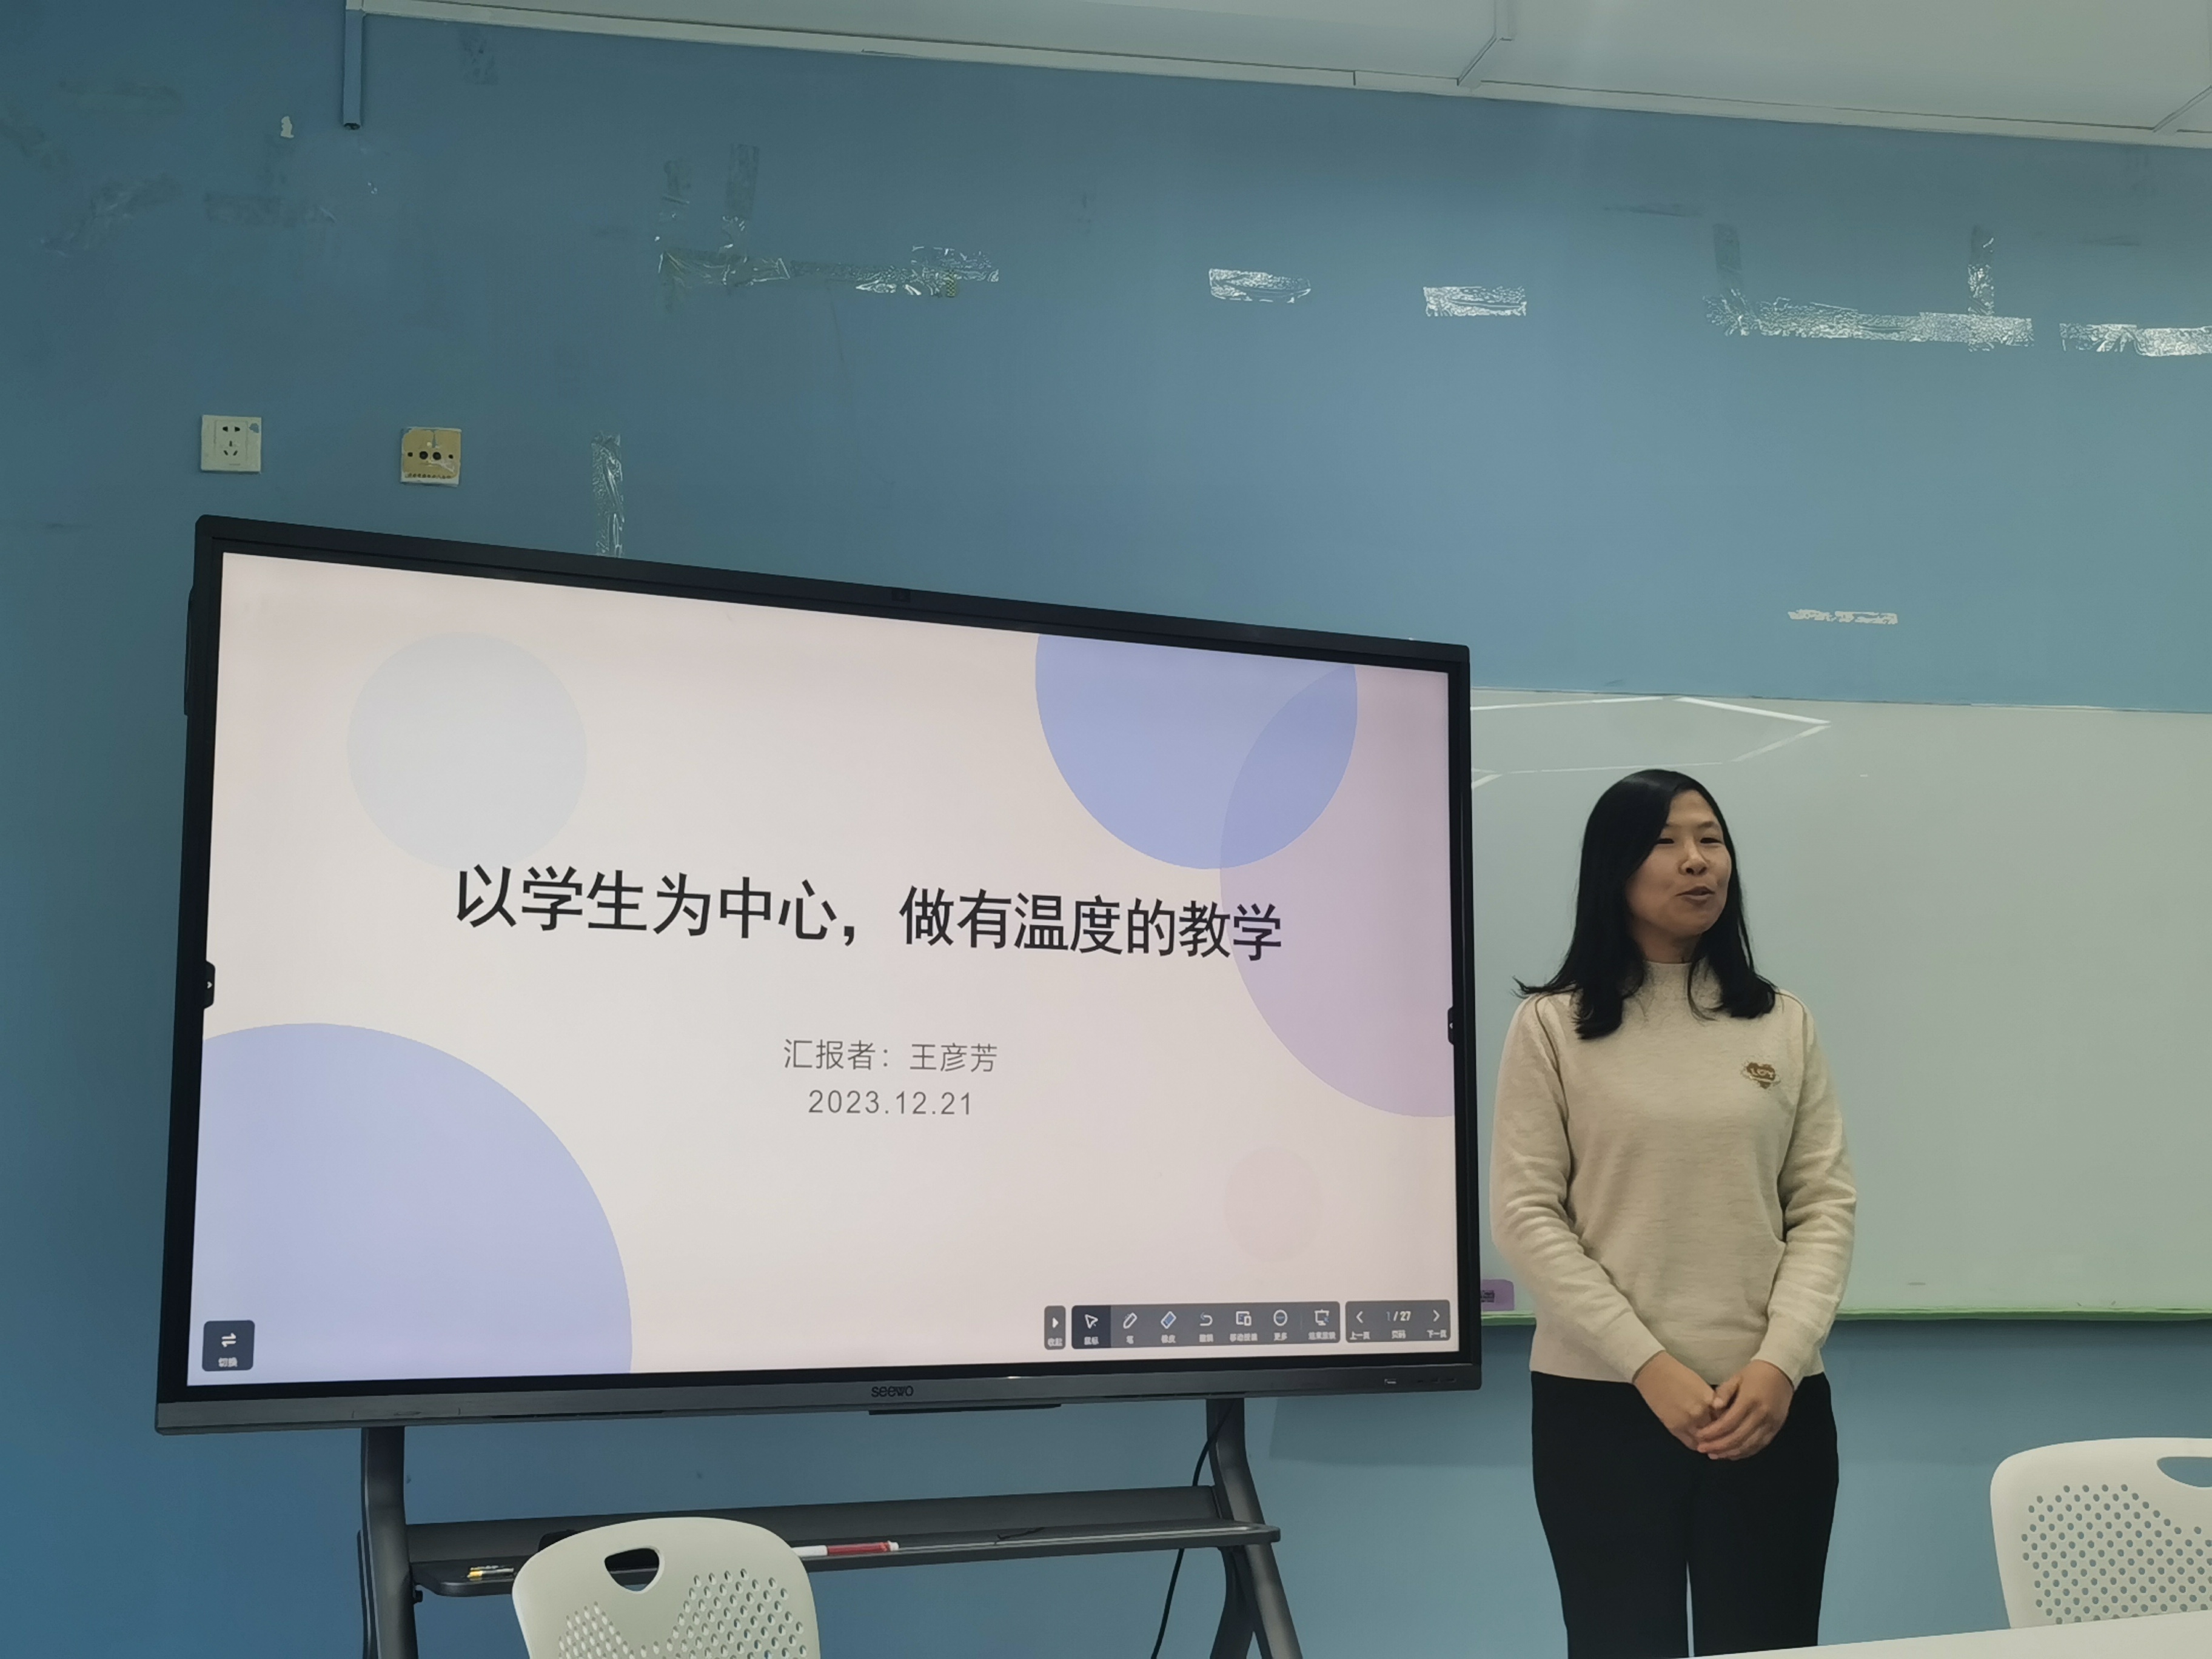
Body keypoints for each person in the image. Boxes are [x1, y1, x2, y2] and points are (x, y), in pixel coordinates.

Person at [1490, 768, 1857, 1658]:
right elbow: (1528, 1216)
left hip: (1770, 1405)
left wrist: (1780, 1362)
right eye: (1665, 843)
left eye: (1711, 839)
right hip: (1603, 1405)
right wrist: (1649, 1367)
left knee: (1770, 1643)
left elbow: (1823, 1207)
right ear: (1613, 869)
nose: (1698, 862)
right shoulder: (1552, 1027)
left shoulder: (1783, 1023)